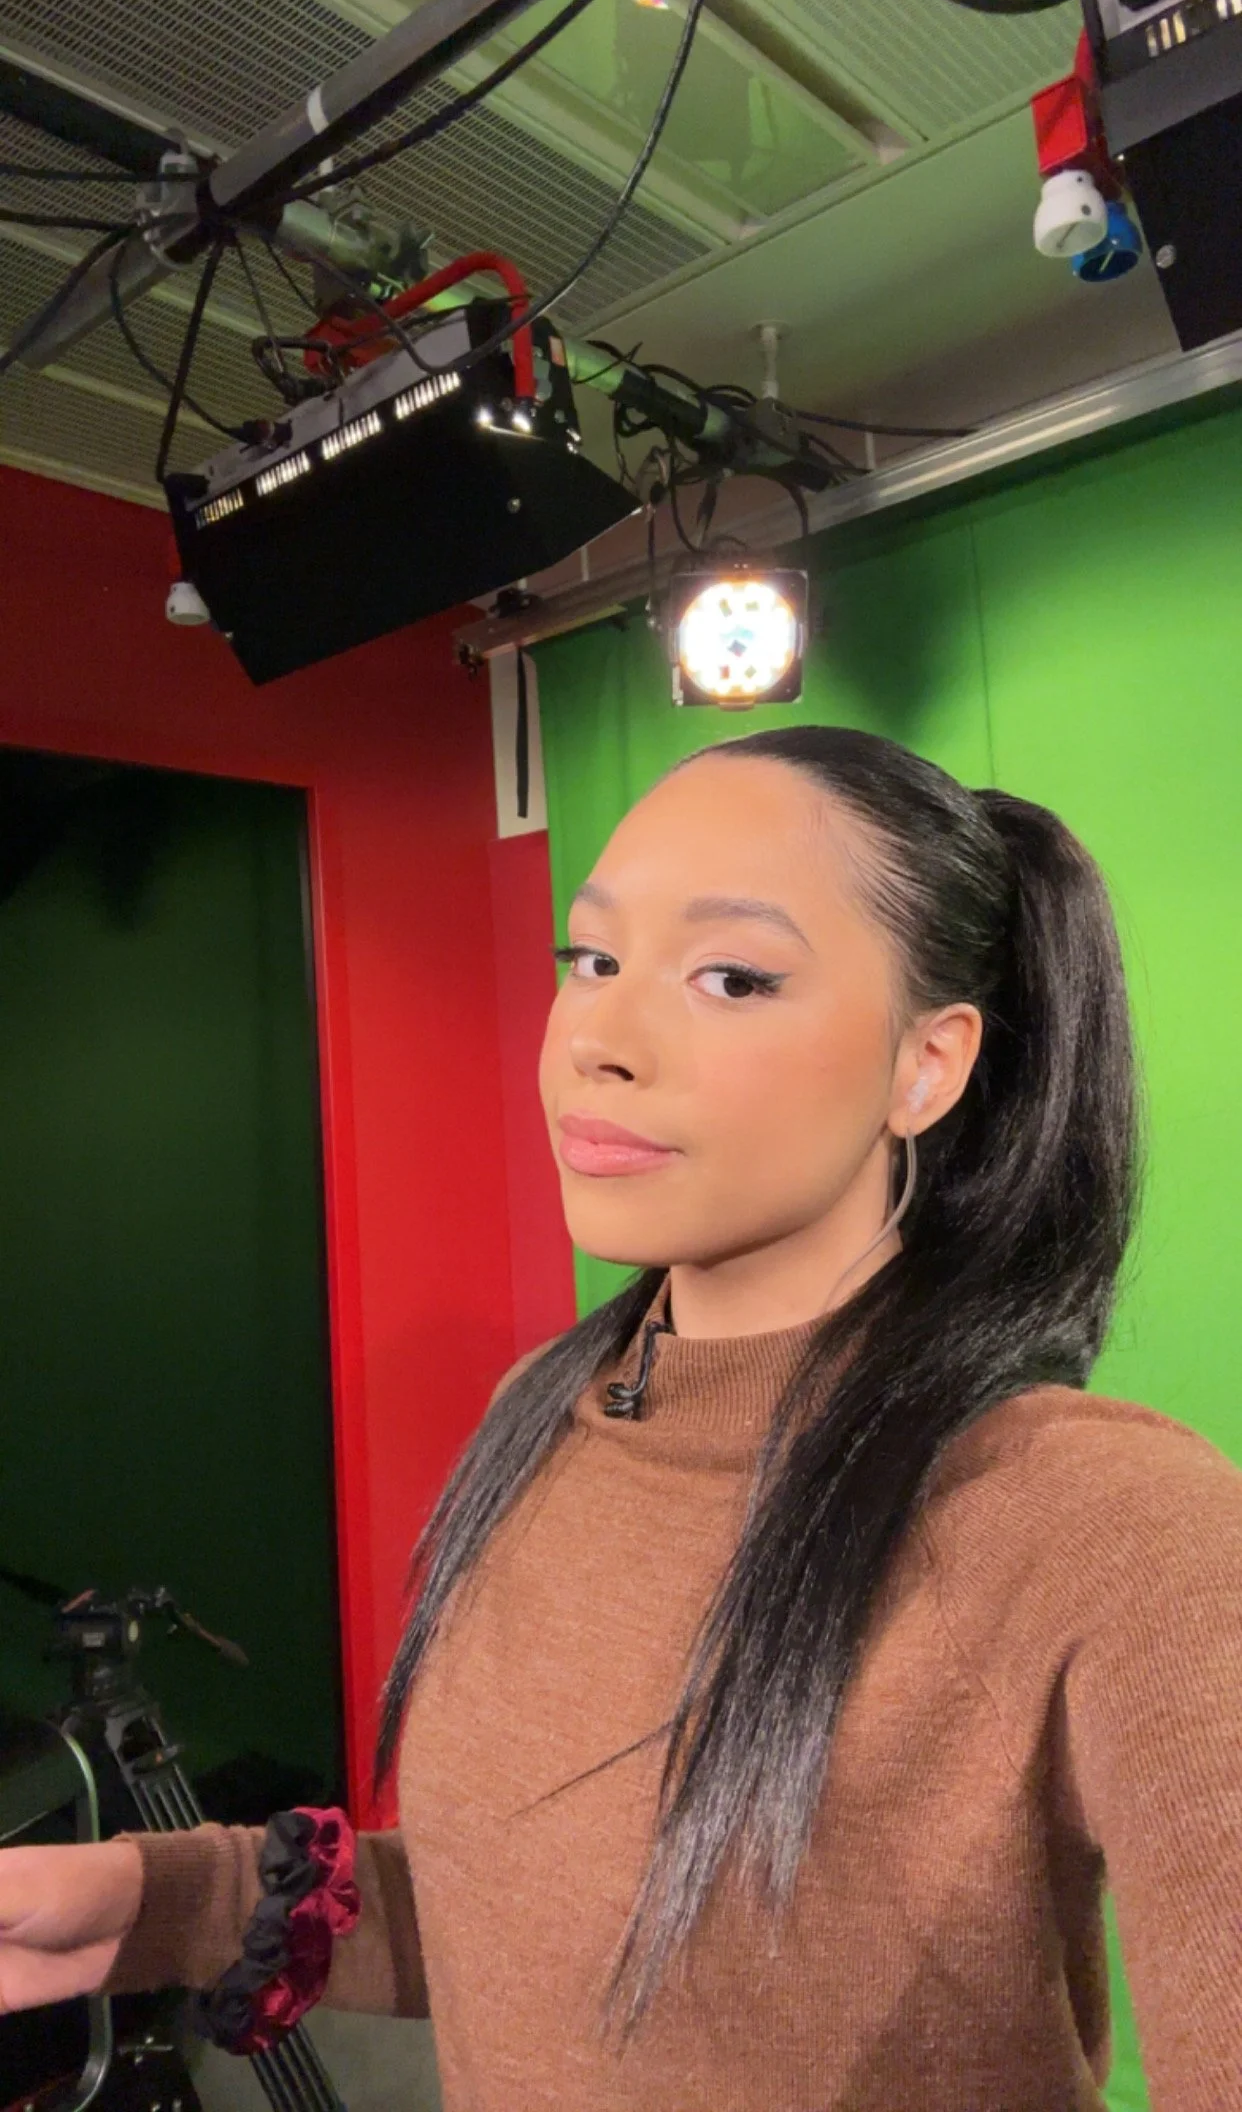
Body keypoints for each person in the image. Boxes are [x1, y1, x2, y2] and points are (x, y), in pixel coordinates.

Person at [2, 725, 1240, 2111]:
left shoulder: (1106, 1522)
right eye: (590, 960)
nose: (597, 1040)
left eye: (731, 977)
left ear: (926, 1065)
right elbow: (534, 1916)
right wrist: (162, 1902)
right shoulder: (542, 1414)